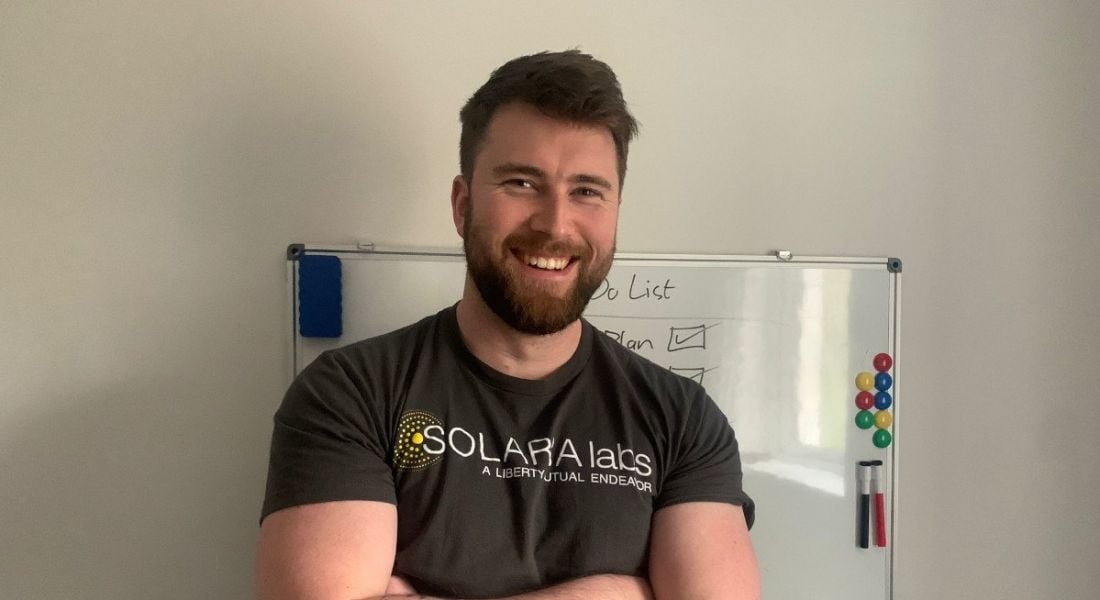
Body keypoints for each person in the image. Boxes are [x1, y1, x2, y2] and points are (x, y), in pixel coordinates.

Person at [256, 50, 760, 600]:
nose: (555, 224)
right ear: (462, 204)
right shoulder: (351, 394)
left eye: (587, 191)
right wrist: (613, 594)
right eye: (522, 183)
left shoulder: (683, 421)